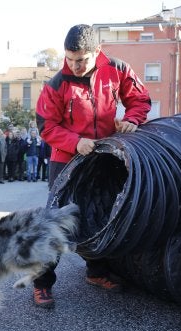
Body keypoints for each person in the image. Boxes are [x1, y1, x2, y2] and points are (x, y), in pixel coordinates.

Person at [33, 24, 151, 307]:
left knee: (101, 213)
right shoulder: (57, 83)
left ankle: (96, 271)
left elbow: (140, 99)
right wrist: (75, 142)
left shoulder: (117, 69)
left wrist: (132, 119)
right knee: (58, 220)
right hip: (67, 157)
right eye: (69, 59)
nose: (74, 65)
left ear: (97, 52)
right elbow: (46, 126)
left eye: (81, 60)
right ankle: (42, 283)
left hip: (104, 156)